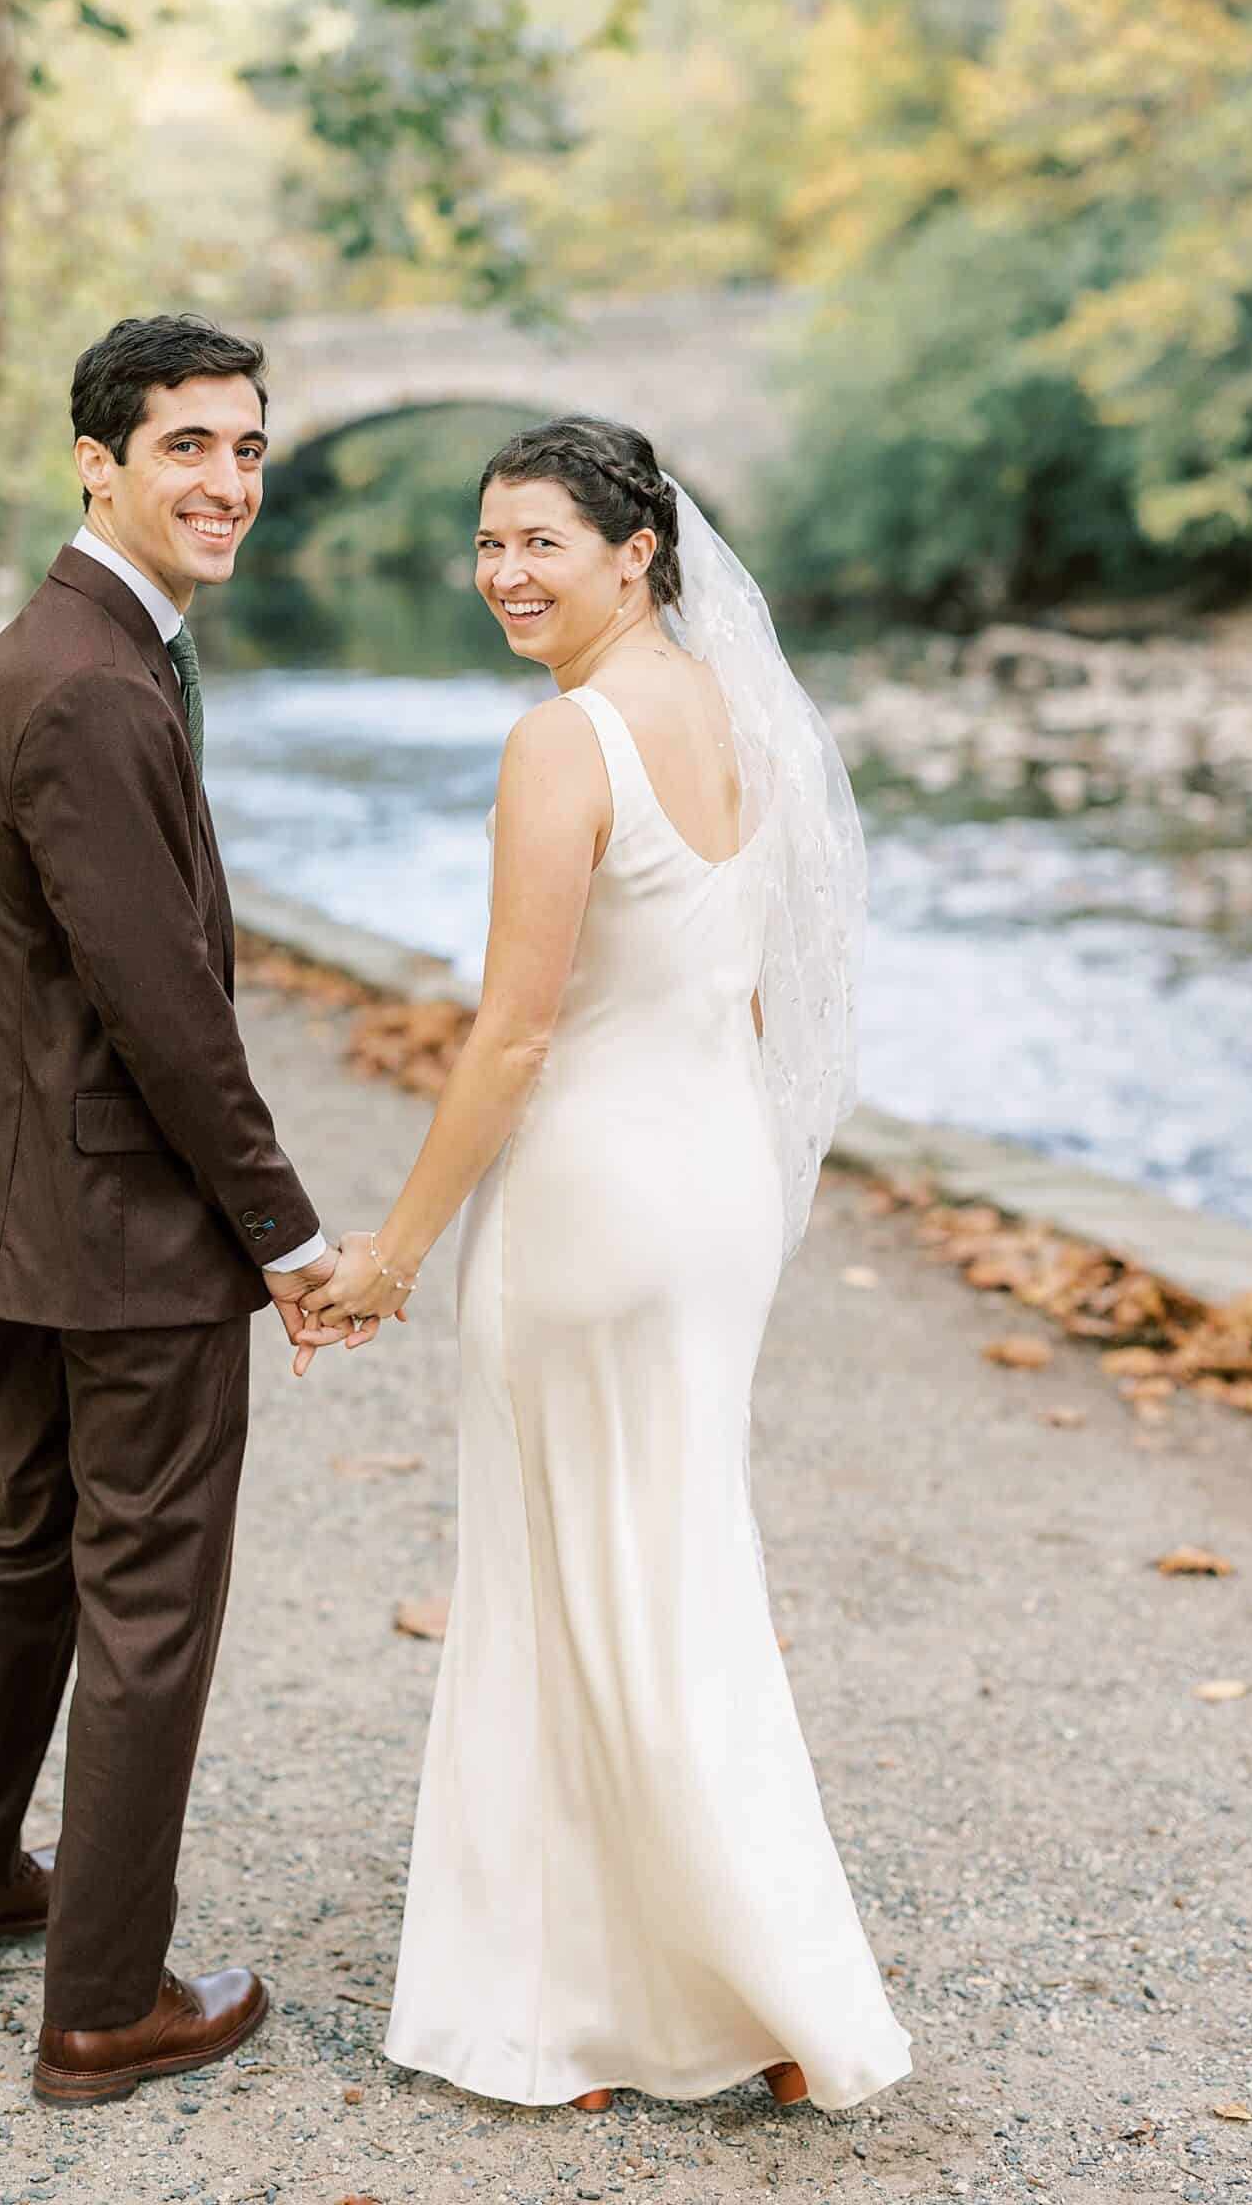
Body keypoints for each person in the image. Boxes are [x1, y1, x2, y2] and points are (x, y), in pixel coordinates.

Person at [297, 415, 912, 2112]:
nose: (502, 572)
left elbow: (511, 1039)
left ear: (636, 553)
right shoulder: (745, 719)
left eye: (539, 543)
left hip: (589, 1208)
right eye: (487, 543)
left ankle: (578, 2016)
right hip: (711, 1193)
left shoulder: (564, 743)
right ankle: (766, 1998)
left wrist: (394, 1256)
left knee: (572, 1592)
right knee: (684, 1573)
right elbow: (773, 993)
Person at [0, 314, 376, 2108]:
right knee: (145, 1596)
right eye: (190, 447)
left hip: (23, 1209)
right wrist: (290, 1236)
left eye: (248, 449)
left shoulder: (73, 645)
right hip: (117, 1228)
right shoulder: (93, 681)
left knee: (25, 1537)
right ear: (96, 459)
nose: (229, 482)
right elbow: (162, 1004)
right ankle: (105, 2002)